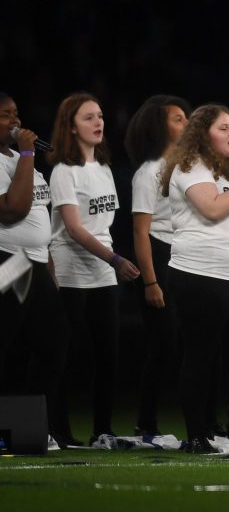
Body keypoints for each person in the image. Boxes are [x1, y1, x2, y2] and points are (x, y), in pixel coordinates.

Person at [160, 104, 229, 453]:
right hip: (199, 274)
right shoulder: (190, 165)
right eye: (223, 128)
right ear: (202, 133)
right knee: (201, 355)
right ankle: (197, 434)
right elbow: (211, 209)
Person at [48, 92, 140, 445]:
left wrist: (111, 262)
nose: (98, 122)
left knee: (108, 356)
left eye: (100, 115)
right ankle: (59, 431)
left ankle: (103, 430)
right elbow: (74, 228)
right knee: (65, 355)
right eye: (88, 117)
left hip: (103, 273)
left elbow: (101, 225)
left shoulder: (102, 168)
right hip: (72, 273)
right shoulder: (63, 171)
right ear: (70, 127)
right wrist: (115, 259)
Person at [0, 92, 70, 447]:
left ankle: (28, 427)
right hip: (8, 261)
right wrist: (28, 154)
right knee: (7, 344)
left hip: (35, 263)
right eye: (4, 115)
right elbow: (13, 209)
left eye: (16, 113)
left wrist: (50, 269)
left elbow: (40, 215)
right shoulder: (15, 160)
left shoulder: (20, 159)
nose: (14, 121)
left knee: (53, 345)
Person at [125, 94, 191, 437]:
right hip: (159, 255)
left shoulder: (189, 169)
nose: (186, 123)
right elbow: (140, 231)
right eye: (178, 118)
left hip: (186, 256)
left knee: (185, 343)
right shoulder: (148, 173)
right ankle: (146, 421)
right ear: (158, 125)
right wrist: (150, 282)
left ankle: (200, 422)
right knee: (164, 343)